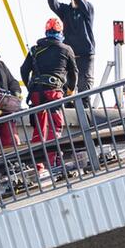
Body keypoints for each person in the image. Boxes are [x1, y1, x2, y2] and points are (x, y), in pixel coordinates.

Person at [20, 18, 78, 168]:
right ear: (61, 32)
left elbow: (24, 70)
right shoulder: (66, 49)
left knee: (39, 128)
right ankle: (54, 162)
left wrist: (30, 87)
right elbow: (74, 73)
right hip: (54, 93)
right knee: (55, 127)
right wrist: (70, 90)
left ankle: (37, 166)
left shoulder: (35, 49)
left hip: (36, 93)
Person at [45, 0, 95, 93]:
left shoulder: (87, 9)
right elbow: (54, 5)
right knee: (68, 87)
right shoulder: (67, 10)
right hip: (70, 55)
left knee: (84, 86)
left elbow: (81, 2)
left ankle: (85, 109)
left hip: (85, 55)